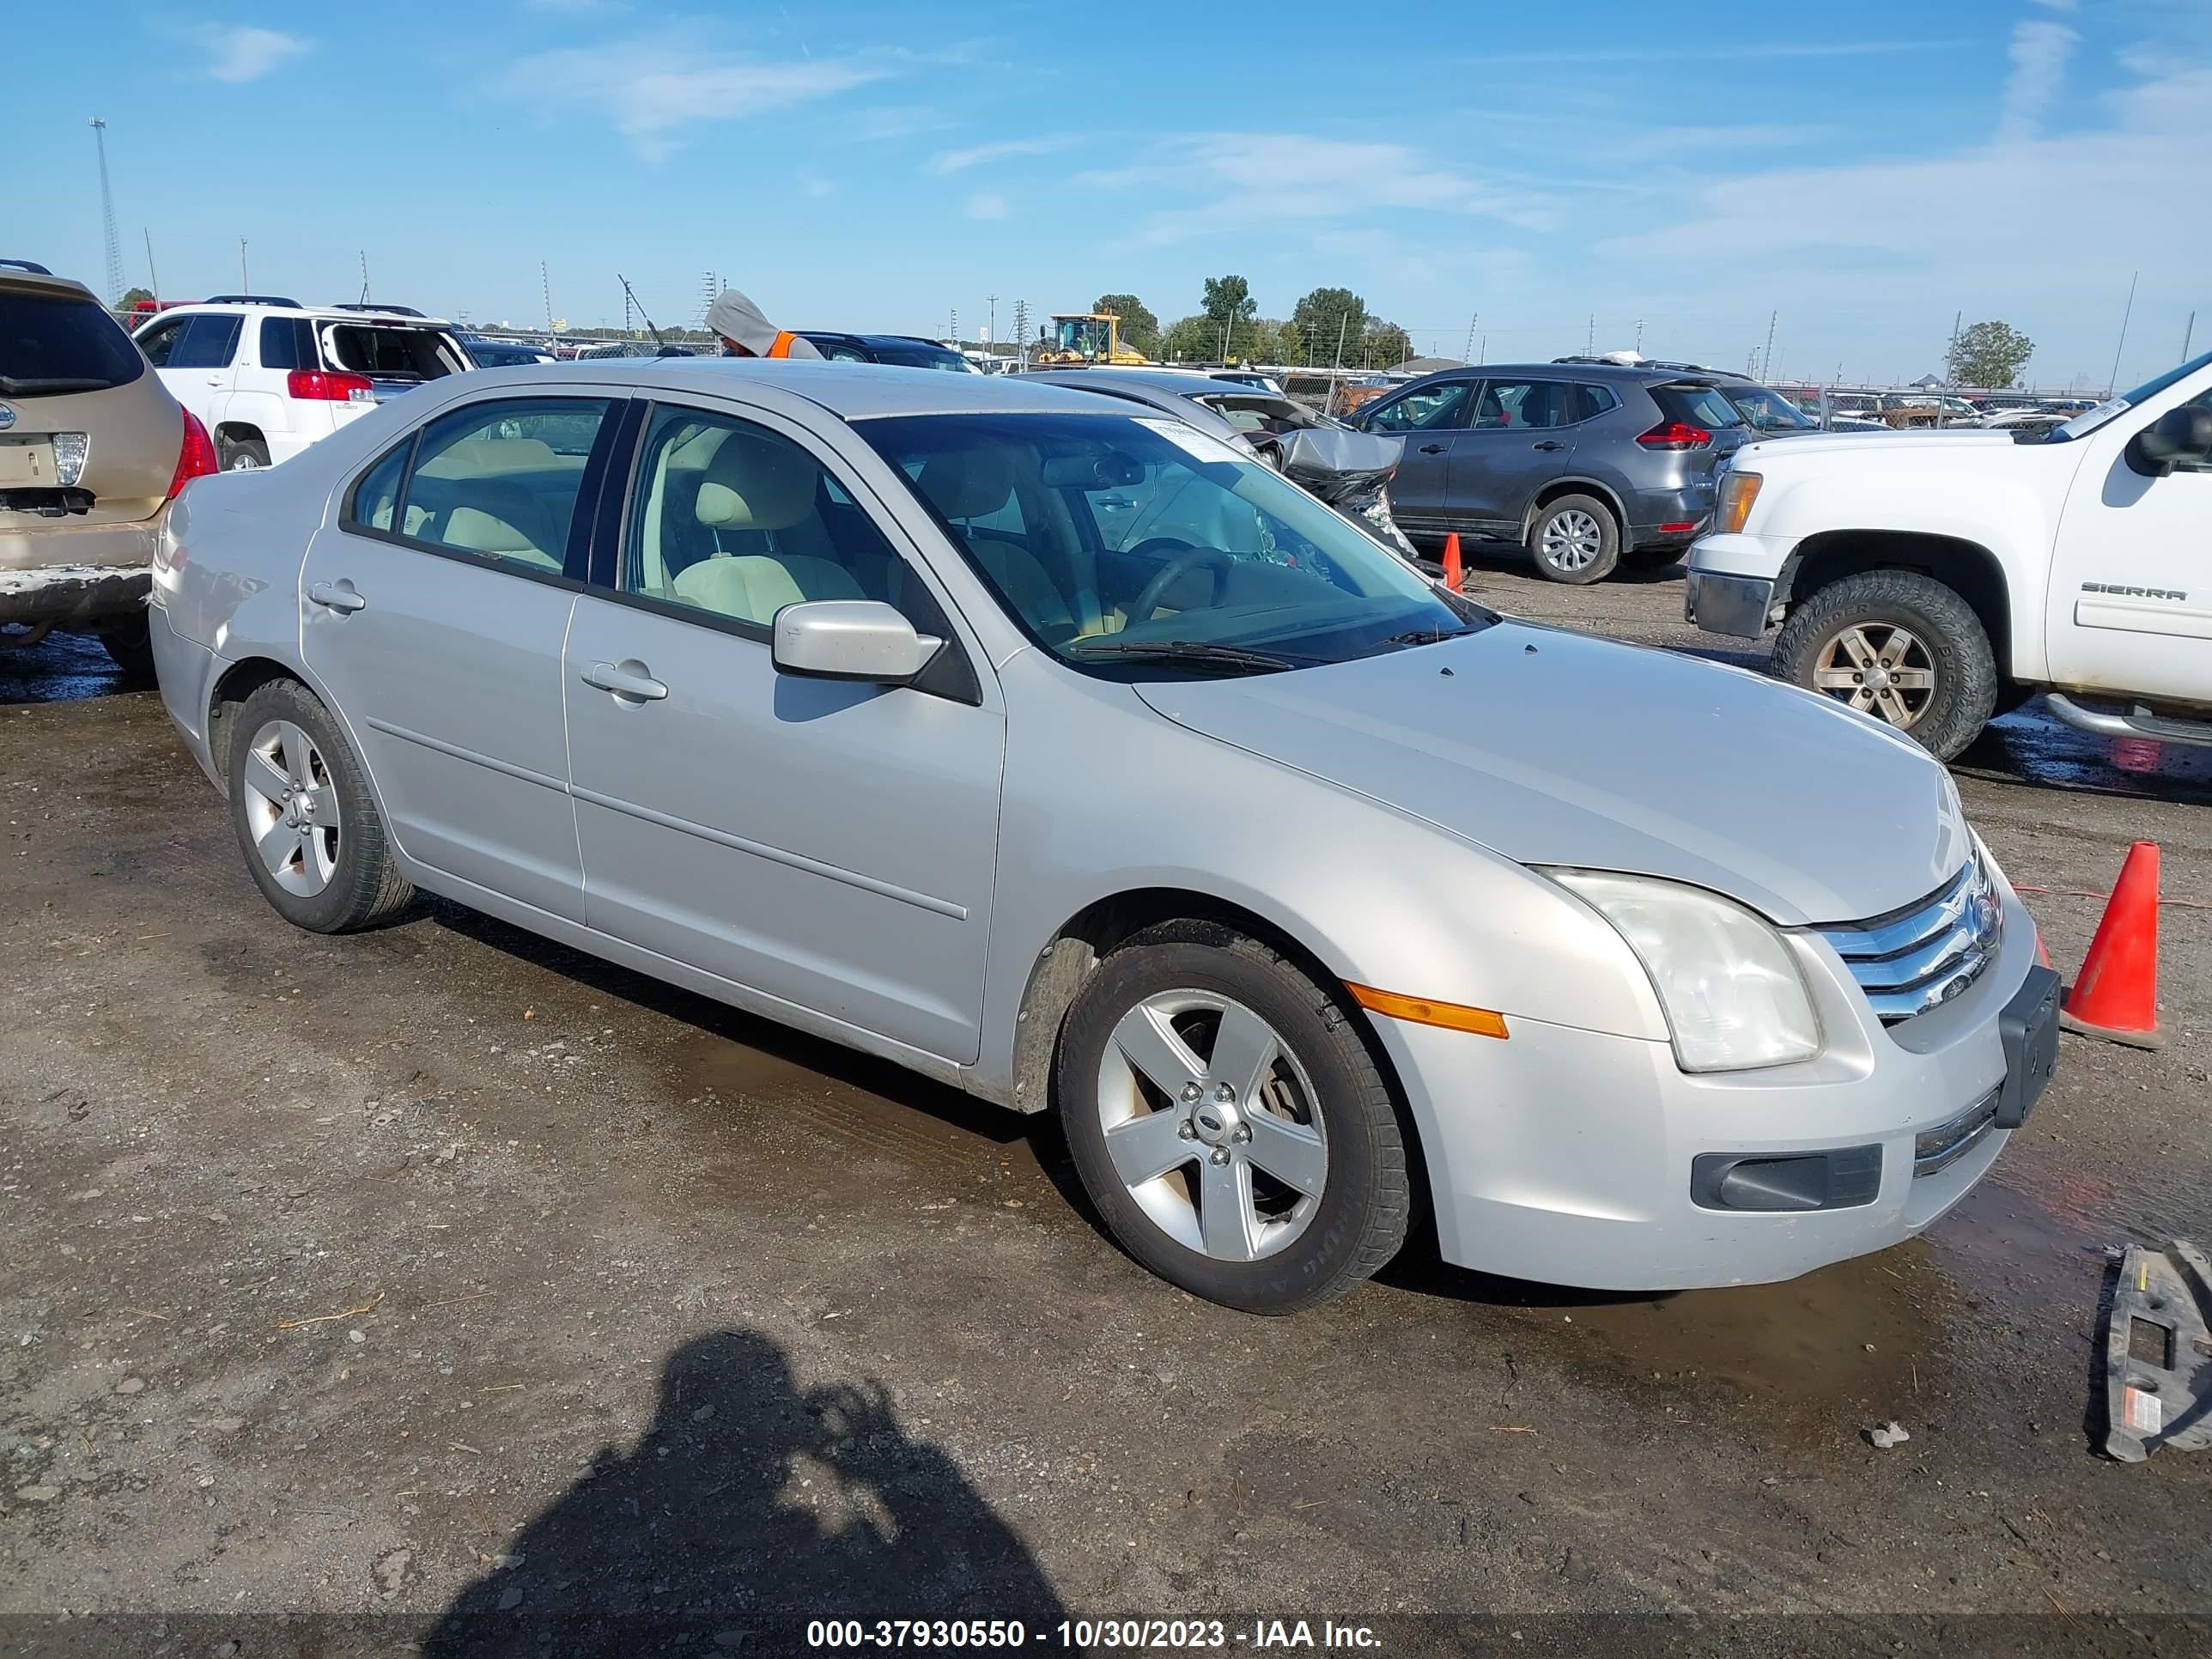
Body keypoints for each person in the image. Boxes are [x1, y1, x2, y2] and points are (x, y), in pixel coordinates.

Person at [705, 289, 822, 360]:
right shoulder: (731, 358)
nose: (724, 344)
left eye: (723, 336)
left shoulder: (796, 349)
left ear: (738, 328)